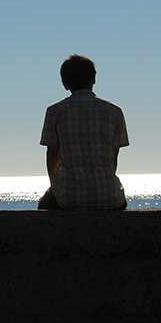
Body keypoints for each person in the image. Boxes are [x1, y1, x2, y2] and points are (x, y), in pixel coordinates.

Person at [39, 54, 129, 210]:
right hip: (109, 197)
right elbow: (113, 157)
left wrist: (55, 186)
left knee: (44, 206)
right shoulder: (114, 112)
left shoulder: (54, 112)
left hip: (68, 198)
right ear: (93, 79)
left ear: (65, 84)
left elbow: (53, 155)